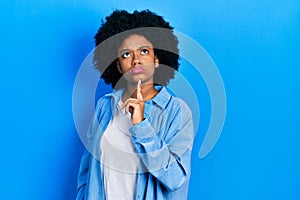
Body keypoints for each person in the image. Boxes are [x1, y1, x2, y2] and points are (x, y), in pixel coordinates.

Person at [76, 10, 194, 200]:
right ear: (118, 66)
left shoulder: (177, 111)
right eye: (125, 54)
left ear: (157, 60)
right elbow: (86, 172)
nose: (136, 59)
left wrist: (141, 125)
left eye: (144, 51)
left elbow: (175, 178)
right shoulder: (105, 107)